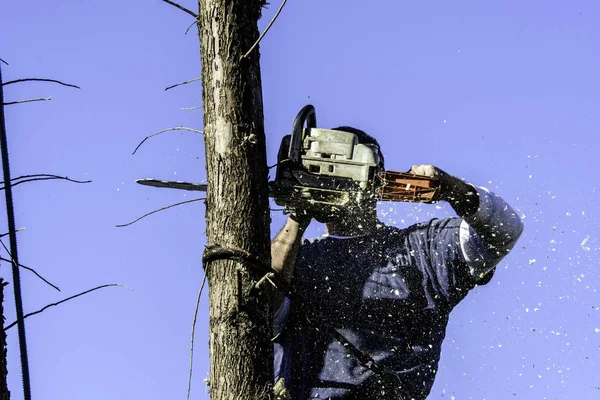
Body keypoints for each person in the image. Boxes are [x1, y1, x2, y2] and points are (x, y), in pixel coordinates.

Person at [271, 127, 524, 400]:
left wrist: (453, 189)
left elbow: (503, 231)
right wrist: (297, 219)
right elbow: (262, 311)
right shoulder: (297, 257)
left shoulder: (421, 248)